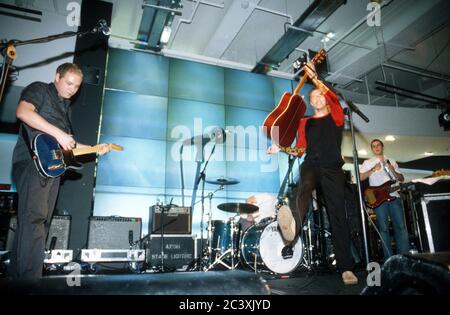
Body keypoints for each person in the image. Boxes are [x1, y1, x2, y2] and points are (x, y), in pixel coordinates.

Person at [9, 63, 111, 279]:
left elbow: (69, 145)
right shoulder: (39, 90)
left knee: (39, 222)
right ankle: (30, 281)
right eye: (69, 83)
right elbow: (23, 112)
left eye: (77, 86)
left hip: (52, 169)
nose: (72, 89)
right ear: (57, 76)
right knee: (34, 219)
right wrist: (59, 134)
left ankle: (19, 278)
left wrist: (95, 149)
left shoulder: (65, 109)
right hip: (32, 163)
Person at [267, 63, 358, 285]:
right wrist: (282, 147)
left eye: (320, 95)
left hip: (333, 169)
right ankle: (293, 228)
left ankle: (346, 268)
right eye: (313, 97)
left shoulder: (336, 116)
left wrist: (316, 79)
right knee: (303, 187)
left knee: (337, 214)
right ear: (310, 102)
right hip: (311, 165)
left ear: (325, 98)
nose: (316, 98)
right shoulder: (304, 122)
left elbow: (336, 100)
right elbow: (300, 149)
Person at [360, 139, 410, 260]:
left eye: (378, 145)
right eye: (373, 146)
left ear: (382, 147)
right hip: (379, 200)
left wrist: (392, 169)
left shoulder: (391, 160)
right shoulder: (368, 162)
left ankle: (403, 258)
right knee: (383, 229)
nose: (376, 147)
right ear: (372, 149)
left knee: (401, 227)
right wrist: (373, 169)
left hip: (394, 197)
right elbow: (361, 177)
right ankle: (388, 259)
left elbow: (401, 179)